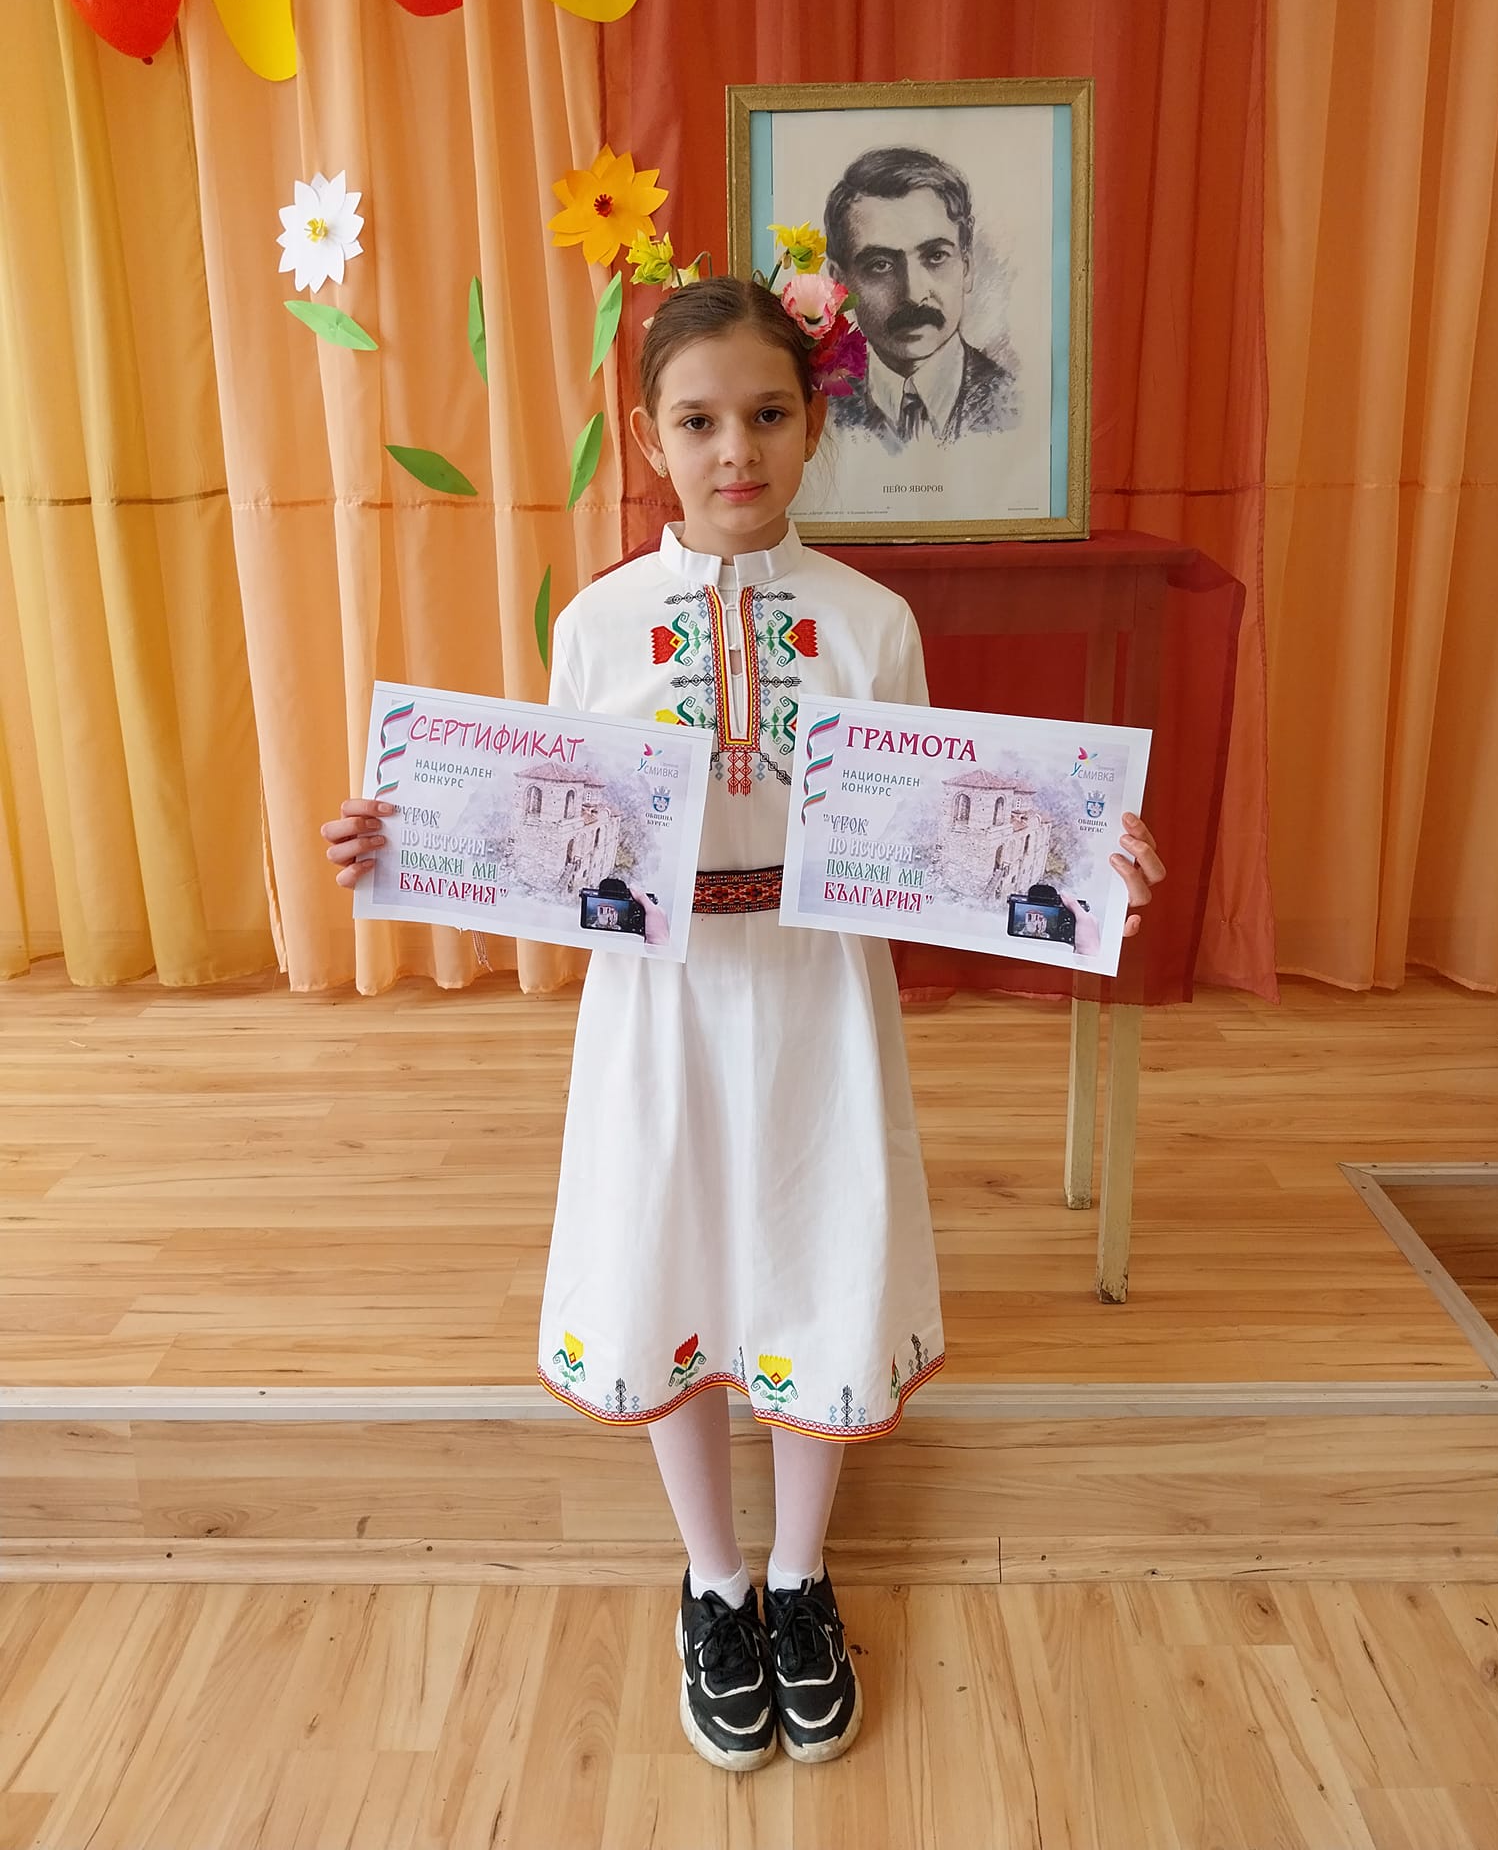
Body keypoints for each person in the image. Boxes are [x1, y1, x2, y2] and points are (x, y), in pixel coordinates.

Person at [320, 275, 1164, 1775]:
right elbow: (546, 823)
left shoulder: (873, 622)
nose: (736, 450)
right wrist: (408, 834)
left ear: (814, 423)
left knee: (818, 1242)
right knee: (672, 1246)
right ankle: (713, 1579)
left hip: (819, 990)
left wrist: (1086, 860)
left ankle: (798, 1572)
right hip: (660, 1001)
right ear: (649, 437)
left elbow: (943, 822)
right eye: (699, 420)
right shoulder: (598, 625)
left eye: (767, 414)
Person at [823, 145, 1018, 450]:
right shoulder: (821, 412)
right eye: (880, 265)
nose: (913, 295)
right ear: (839, 282)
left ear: (967, 267)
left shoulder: (1013, 401)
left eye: (935, 256)